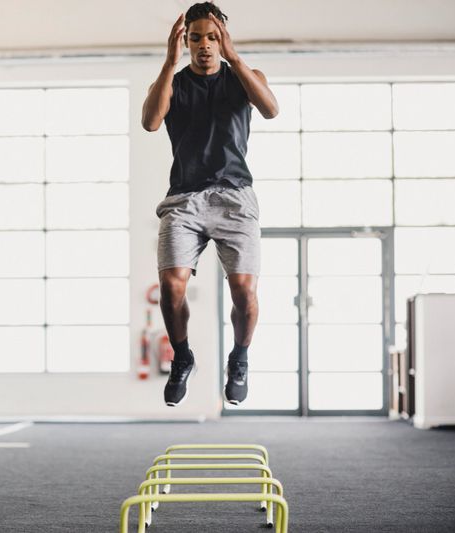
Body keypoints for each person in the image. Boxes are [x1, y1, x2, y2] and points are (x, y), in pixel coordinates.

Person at [141, 2, 279, 407]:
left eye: (213, 37)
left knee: (244, 289)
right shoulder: (172, 82)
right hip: (184, 198)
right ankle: (183, 358)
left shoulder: (243, 79)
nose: (204, 45)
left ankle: (239, 359)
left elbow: (271, 109)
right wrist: (169, 62)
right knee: (170, 285)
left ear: (223, 40)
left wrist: (234, 58)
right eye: (196, 37)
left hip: (235, 197)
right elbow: (150, 122)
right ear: (186, 41)